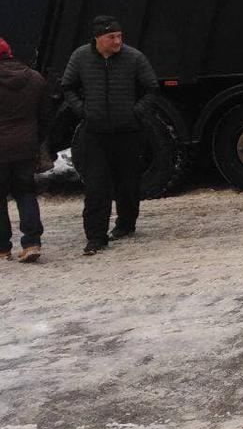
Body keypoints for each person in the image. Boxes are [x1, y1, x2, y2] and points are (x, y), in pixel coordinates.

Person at [61, 16, 159, 255]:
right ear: (98, 39)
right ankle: (95, 237)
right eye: (111, 37)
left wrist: (135, 113)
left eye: (119, 36)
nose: (117, 41)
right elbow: (68, 86)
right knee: (96, 187)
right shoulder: (81, 57)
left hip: (128, 132)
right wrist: (83, 110)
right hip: (95, 133)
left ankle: (126, 224)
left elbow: (151, 88)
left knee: (128, 183)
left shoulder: (134, 57)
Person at [0, 38, 52, 263]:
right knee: (26, 193)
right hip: (25, 146)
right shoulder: (34, 78)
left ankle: (2, 248)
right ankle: (31, 242)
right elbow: (46, 116)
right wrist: (36, 140)